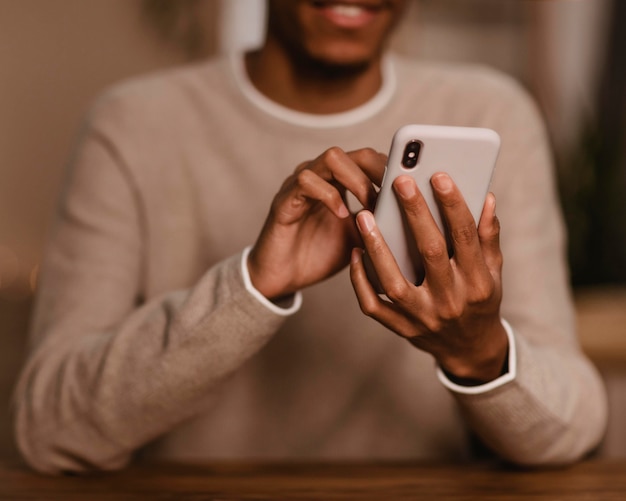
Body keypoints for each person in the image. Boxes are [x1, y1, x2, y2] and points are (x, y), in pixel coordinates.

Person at [13, 0, 607, 474]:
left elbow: (574, 424)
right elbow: (48, 433)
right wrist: (252, 287)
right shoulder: (132, 125)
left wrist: (478, 353)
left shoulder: (490, 111)